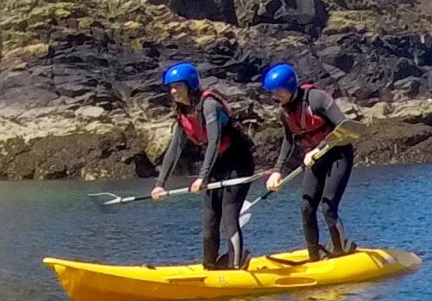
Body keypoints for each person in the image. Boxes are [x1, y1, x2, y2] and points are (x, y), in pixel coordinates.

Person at [148, 61, 256, 269]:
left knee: (229, 217)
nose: (173, 91)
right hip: (217, 165)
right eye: (170, 87)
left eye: (177, 86)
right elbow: (175, 149)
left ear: (190, 85)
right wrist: (160, 182)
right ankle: (209, 268)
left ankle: (235, 268)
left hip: (238, 162)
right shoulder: (182, 112)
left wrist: (202, 177)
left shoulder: (209, 105)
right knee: (209, 222)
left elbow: (214, 142)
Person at [262, 64, 355, 259]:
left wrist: (318, 149)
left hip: (338, 155)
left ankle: (341, 249)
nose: (275, 96)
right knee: (306, 206)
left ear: (290, 86)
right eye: (272, 92)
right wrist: (277, 170)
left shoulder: (317, 99)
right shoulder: (284, 112)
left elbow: (343, 126)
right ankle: (314, 254)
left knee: (328, 206)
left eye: (279, 91)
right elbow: (289, 141)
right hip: (314, 161)